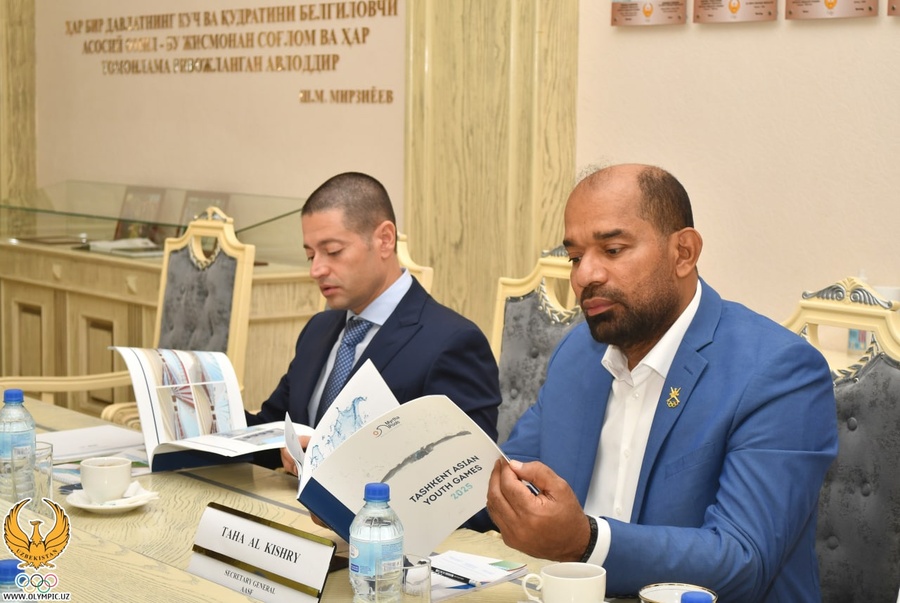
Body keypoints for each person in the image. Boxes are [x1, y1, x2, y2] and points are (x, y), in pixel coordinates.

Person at [480, 164, 838, 601]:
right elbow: (509, 479)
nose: (584, 276)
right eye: (574, 257)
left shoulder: (778, 371)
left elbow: (743, 559)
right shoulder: (579, 353)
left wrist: (586, 541)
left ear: (683, 253)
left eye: (612, 250)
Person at [247, 171, 501, 471]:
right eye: (310, 255)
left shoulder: (451, 343)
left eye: (332, 252)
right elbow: (272, 428)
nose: (316, 270)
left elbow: (465, 472)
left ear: (384, 239)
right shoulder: (318, 329)